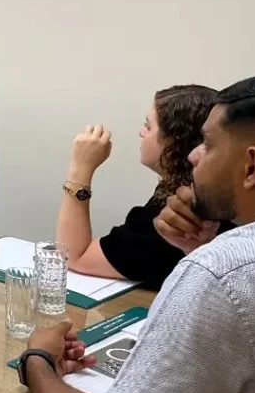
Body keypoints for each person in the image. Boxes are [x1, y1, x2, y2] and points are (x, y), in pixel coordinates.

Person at [21, 73, 255, 393]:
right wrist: (200, 251)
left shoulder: (228, 275)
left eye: (208, 144)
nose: (195, 155)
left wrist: (37, 360)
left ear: (252, 166)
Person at [56, 85, 223, 290]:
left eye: (148, 126)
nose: (141, 132)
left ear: (175, 142)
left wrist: (80, 169)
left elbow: (75, 256)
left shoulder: (183, 210)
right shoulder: (202, 191)